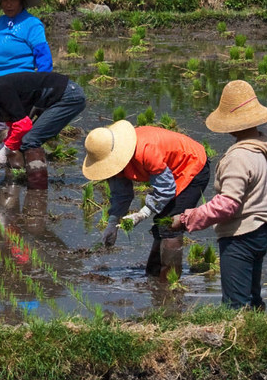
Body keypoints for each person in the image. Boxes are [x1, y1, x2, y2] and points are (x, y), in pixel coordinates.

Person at [170, 80, 267, 309]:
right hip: (261, 230)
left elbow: (227, 205)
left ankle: (238, 340)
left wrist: (186, 219)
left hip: (241, 236)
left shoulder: (239, 157)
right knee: (253, 298)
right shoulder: (261, 150)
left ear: (231, 125)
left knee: (236, 303)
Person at [82, 120, 210, 280]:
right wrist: (112, 223)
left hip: (192, 165)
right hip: (170, 173)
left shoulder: (146, 150)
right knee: (160, 226)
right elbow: (122, 195)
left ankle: (169, 284)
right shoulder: (115, 161)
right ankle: (154, 275)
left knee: (170, 225)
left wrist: (142, 214)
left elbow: (166, 189)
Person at [0, 67, 85, 189]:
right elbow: (14, 122)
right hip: (54, 98)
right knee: (26, 139)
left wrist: (6, 149)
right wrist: (4, 145)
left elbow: (24, 124)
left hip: (68, 96)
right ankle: (34, 182)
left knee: (30, 140)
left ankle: (38, 190)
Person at [0, 0, 53, 165]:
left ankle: (18, 163)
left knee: (18, 125)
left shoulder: (32, 24)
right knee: (2, 126)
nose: (8, 4)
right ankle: (13, 154)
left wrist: (42, 87)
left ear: (21, 0)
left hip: (21, 84)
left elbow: (44, 58)